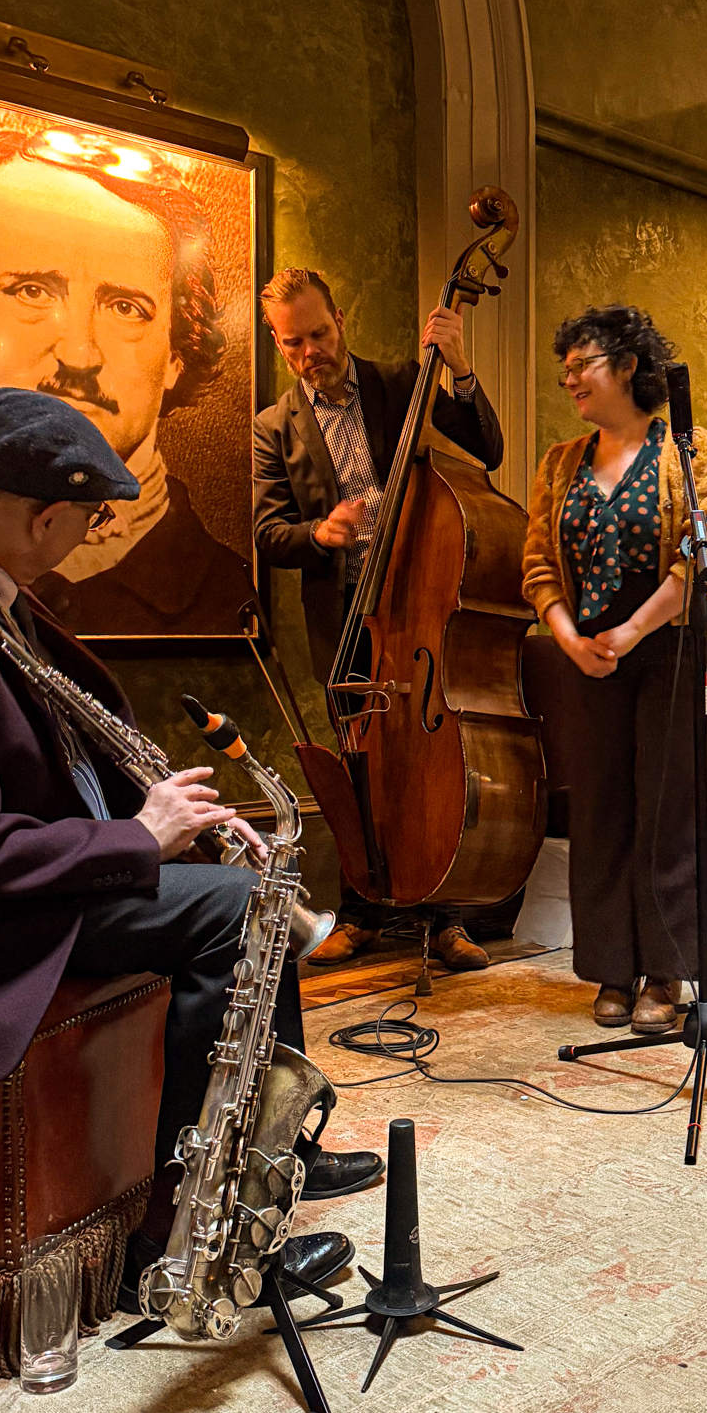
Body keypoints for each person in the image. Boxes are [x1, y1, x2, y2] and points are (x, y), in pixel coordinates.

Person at [0, 389, 379, 1312]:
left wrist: (166, 813)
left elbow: (47, 756)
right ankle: (184, 1240)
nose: (87, 535)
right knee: (231, 915)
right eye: (88, 519)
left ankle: (273, 1157)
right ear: (45, 513)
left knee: (232, 881)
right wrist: (137, 839)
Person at [253, 266, 506, 971]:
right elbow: (269, 532)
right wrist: (320, 535)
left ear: (341, 319)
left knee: (434, 762)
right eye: (295, 342)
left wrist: (457, 368)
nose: (312, 353)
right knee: (360, 763)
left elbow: (487, 450)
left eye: (321, 334)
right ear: (279, 345)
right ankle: (361, 915)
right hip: (345, 619)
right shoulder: (274, 428)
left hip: (420, 607)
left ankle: (445, 921)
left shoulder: (403, 383)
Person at [0, 126, 254, 635]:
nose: (79, 354)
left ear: (177, 352)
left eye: (125, 308)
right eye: (31, 292)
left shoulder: (231, 598)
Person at [523, 304, 707, 1031]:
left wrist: (629, 632)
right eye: (567, 368)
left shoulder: (690, 446)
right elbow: (539, 569)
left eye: (583, 364)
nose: (569, 378)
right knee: (603, 809)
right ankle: (612, 970)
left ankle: (666, 977)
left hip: (678, 646)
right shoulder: (560, 463)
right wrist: (573, 641)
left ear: (630, 365)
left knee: (671, 813)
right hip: (590, 659)